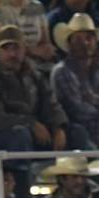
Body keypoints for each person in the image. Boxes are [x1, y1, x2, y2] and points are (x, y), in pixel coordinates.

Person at [0, 24, 77, 156]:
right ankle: (21, 175)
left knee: (75, 132)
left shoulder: (34, 75)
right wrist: (30, 123)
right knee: (20, 134)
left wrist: (58, 126)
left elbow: (51, 103)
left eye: (16, 48)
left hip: (31, 132)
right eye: (6, 48)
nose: (12, 54)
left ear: (24, 49)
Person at [52, 13, 99, 148]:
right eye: (78, 38)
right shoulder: (62, 71)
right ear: (69, 42)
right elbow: (78, 110)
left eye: (89, 38)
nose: (84, 43)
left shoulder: (97, 71)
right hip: (77, 133)